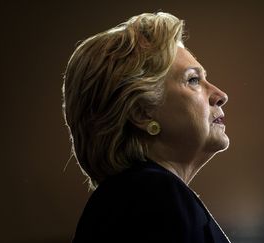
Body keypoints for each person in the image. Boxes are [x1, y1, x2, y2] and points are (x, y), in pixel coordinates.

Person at [62, 12, 231, 243]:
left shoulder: (132, 196)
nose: (220, 96)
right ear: (141, 112)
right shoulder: (152, 195)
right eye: (193, 80)